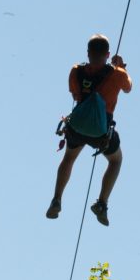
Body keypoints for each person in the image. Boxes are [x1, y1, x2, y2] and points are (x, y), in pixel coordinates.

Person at [46, 34, 132, 226]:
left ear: (88, 53)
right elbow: (128, 88)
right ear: (108, 54)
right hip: (101, 134)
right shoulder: (117, 74)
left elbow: (76, 94)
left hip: (76, 127)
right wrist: (121, 68)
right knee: (116, 160)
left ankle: (57, 199)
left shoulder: (76, 71)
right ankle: (102, 203)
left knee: (69, 158)